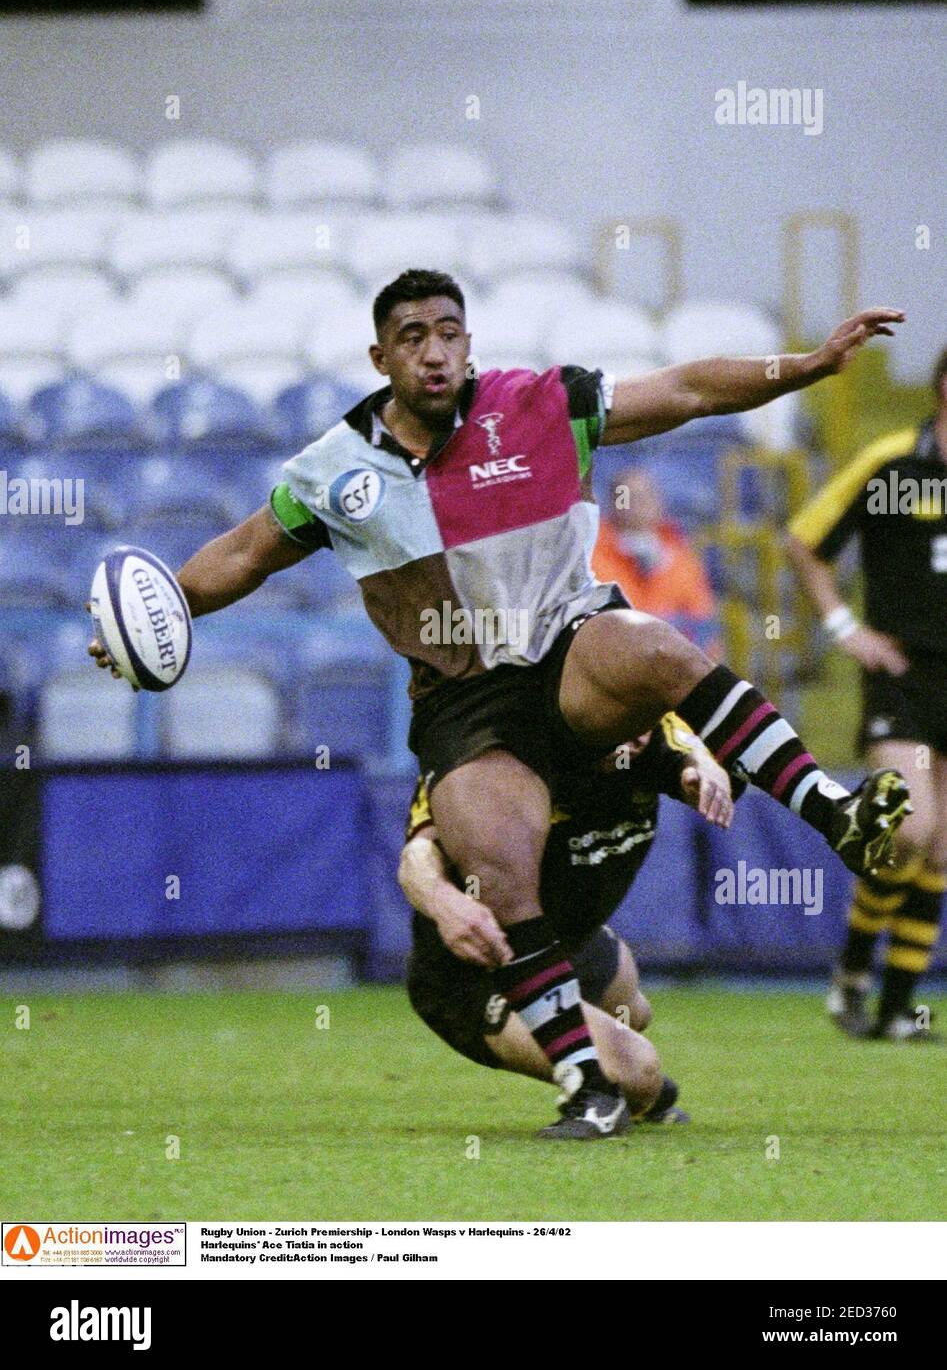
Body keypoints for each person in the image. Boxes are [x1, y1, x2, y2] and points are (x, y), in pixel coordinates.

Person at [89, 268, 911, 1137]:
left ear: (468, 344)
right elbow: (247, 552)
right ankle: (587, 1086)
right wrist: (164, 605)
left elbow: (686, 388)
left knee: (653, 643)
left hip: (565, 649)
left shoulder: (538, 405)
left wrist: (809, 364)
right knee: (498, 860)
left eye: (448, 332)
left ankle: (832, 811)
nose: (434, 351)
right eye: (412, 337)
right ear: (381, 355)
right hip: (464, 700)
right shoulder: (333, 472)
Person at [398, 717, 736, 1136]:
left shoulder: (646, 727)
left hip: (573, 945)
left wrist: (708, 764)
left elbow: (698, 746)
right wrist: (444, 903)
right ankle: (622, 1086)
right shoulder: (495, 755)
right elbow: (416, 858)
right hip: (477, 971)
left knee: (636, 1009)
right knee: (638, 1070)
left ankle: (603, 1038)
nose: (635, 731)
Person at [786, 346, 947, 1042]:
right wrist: (844, 628)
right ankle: (851, 973)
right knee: (906, 830)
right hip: (902, 671)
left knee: (940, 850)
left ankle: (895, 1010)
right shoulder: (892, 461)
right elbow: (803, 541)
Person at [591, 467, 722, 656]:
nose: (639, 504)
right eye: (629, 496)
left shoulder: (681, 558)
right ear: (613, 502)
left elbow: (702, 624)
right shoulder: (592, 556)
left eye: (645, 495)